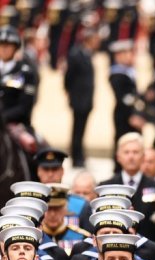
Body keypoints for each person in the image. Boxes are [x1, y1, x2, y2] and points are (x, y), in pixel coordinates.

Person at [98, 133, 155, 252]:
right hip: (113, 254)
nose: (131, 156)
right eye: (126, 152)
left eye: (135, 152)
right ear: (118, 156)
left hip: (150, 255)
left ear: (143, 156)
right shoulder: (106, 187)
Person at [64, 25, 99, 167]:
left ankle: (80, 155)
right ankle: (76, 157)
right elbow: (68, 77)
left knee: (82, 129)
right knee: (77, 129)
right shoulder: (75, 54)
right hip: (78, 99)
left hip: (87, 99)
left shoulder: (88, 54)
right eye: (95, 39)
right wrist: (71, 94)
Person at [0, 25, 37, 152]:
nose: (4, 48)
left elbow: (25, 106)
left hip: (14, 124)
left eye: (8, 45)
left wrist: (3, 117)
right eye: (1, 44)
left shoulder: (25, 73)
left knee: (35, 150)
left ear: (15, 47)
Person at [109, 39, 146, 153]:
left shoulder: (129, 72)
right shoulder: (117, 74)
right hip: (124, 114)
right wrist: (133, 115)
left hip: (132, 113)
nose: (132, 56)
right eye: (129, 53)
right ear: (119, 56)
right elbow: (124, 98)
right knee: (124, 143)